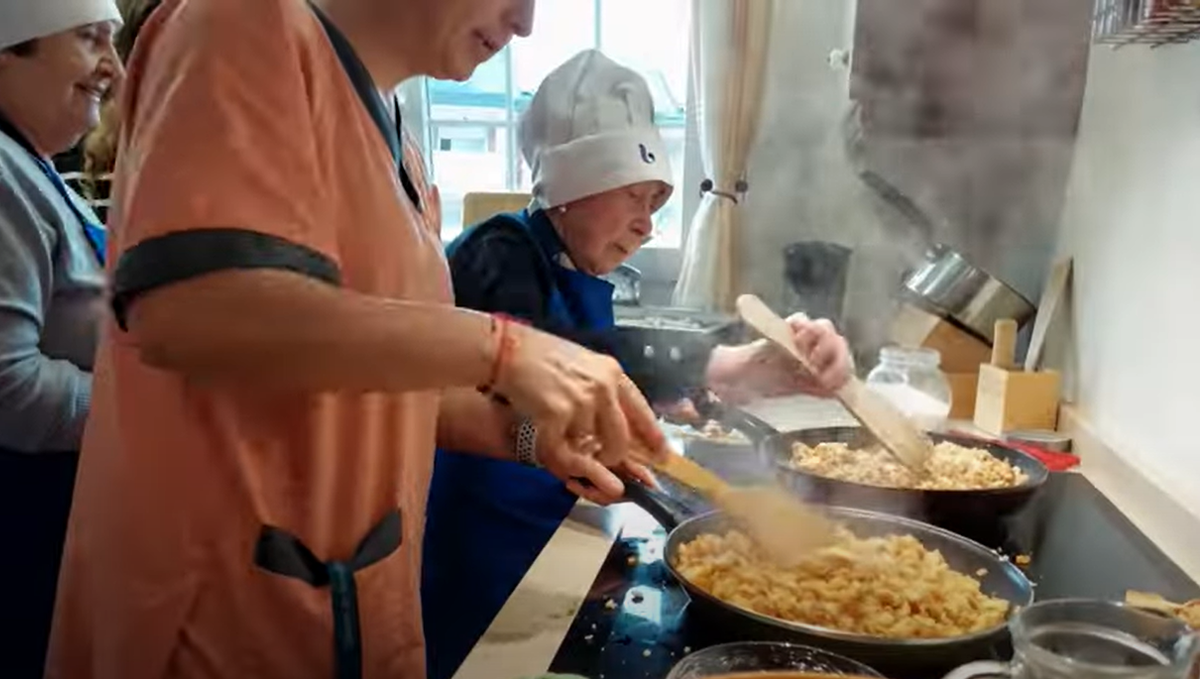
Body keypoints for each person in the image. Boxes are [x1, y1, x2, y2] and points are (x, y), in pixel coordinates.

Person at [45, 1, 671, 678]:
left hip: (351, 599)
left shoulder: (394, 137)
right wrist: (504, 348)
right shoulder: (241, 24)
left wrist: (525, 437)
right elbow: (193, 312)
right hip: (219, 612)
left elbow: (371, 378)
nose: (523, 21)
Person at [422, 50, 854, 679]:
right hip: (483, 541)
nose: (648, 225)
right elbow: (556, 356)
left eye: (657, 202)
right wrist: (719, 365)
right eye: (635, 196)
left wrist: (741, 361)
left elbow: (609, 349)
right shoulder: (501, 251)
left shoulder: (574, 264)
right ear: (570, 188)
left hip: (548, 513)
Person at [0, 1, 122, 675]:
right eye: (89, 39)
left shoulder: (37, 167)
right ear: (7, 51)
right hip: (27, 518)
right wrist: (147, 408)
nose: (114, 66)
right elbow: (9, 387)